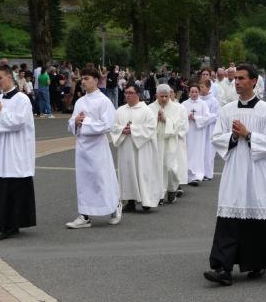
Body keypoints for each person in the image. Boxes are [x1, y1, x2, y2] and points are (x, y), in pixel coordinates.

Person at [204, 64, 266, 286]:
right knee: (230, 216)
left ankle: (257, 263)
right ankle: (222, 268)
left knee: (257, 215)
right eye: (235, 78)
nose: (236, 82)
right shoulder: (227, 110)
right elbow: (216, 137)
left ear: (254, 81)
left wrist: (248, 135)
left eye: (241, 78)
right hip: (236, 170)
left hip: (259, 171)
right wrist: (232, 137)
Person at [66, 68, 121, 229]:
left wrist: (86, 122)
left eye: (86, 78)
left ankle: (114, 207)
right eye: (82, 79)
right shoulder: (80, 101)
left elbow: (108, 124)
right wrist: (76, 121)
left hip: (97, 146)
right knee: (84, 180)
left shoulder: (104, 101)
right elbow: (71, 122)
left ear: (96, 80)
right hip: (83, 146)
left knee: (101, 178)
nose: (83, 81)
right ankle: (84, 215)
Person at [0, 65, 36, 240]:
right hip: (1, 149)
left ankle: (11, 225)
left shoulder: (22, 99)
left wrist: (1, 111)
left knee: (14, 185)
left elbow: (18, 122)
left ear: (9, 78)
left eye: (0, 78)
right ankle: (2, 223)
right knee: (1, 186)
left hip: (16, 150)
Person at [111, 84, 161, 212]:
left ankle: (146, 201)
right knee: (127, 173)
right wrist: (123, 129)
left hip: (142, 148)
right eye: (126, 92)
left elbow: (150, 128)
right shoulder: (120, 110)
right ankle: (130, 201)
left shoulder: (147, 111)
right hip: (126, 147)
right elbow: (114, 127)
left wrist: (132, 129)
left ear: (138, 94)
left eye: (130, 92)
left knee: (143, 173)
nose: (127, 95)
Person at [149, 84, 189, 204]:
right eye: (162, 96)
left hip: (170, 142)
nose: (165, 99)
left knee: (170, 167)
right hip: (156, 141)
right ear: (156, 95)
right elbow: (146, 124)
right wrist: (156, 120)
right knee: (157, 168)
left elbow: (178, 126)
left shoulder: (176, 108)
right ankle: (159, 194)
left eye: (166, 96)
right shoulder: (150, 107)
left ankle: (172, 189)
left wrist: (165, 120)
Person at [182, 83, 210, 186]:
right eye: (192, 92)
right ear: (189, 93)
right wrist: (187, 117)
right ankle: (187, 174)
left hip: (198, 133)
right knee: (188, 152)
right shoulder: (184, 104)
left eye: (196, 92)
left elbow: (207, 117)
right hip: (188, 133)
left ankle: (197, 175)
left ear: (199, 92)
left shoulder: (203, 104)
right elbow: (180, 117)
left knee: (197, 152)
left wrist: (196, 118)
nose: (194, 94)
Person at [169, 87, 189, 198]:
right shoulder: (162, 107)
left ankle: (178, 185)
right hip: (166, 139)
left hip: (177, 139)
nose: (169, 95)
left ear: (175, 94)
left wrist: (174, 131)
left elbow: (184, 124)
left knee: (179, 161)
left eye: (171, 92)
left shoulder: (181, 107)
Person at [199, 80, 220, 181]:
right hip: (199, 129)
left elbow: (217, 115)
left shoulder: (214, 101)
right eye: (200, 87)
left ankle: (207, 173)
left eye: (202, 87)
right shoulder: (197, 99)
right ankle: (198, 172)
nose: (200, 89)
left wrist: (205, 119)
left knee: (208, 151)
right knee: (199, 151)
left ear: (208, 88)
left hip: (209, 129)